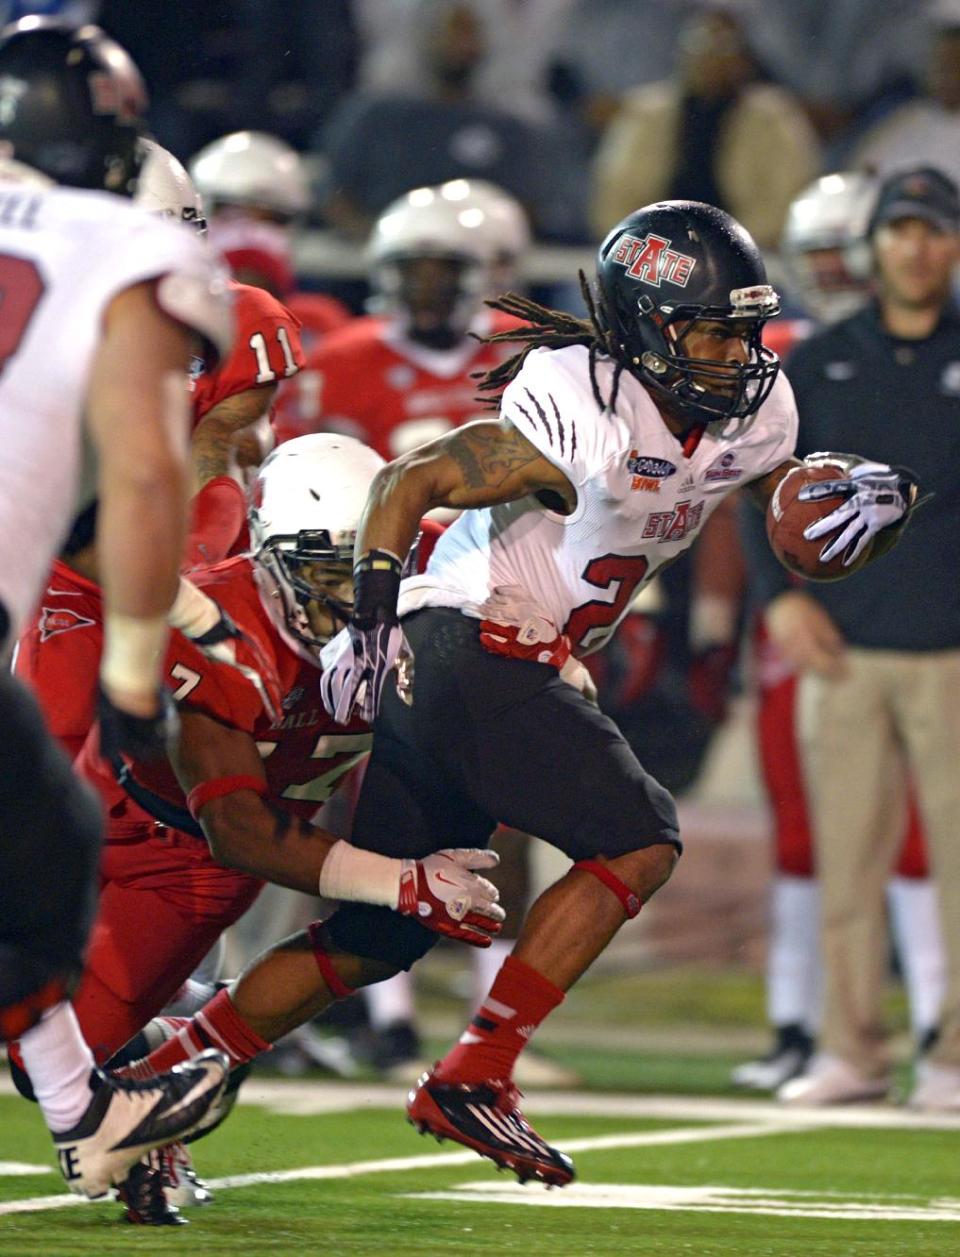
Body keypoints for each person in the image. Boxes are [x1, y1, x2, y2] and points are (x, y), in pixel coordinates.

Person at [128, 199, 917, 1187]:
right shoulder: (574, 401)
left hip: (499, 660)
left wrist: (854, 509)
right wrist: (378, 624)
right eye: (713, 327)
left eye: (746, 328)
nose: (737, 351)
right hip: (464, 639)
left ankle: (158, 1082)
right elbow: (406, 484)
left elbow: (792, 520)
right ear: (646, 324)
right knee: (638, 837)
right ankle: (478, 1072)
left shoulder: (757, 407)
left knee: (381, 935)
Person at [0, 19, 232, 1201]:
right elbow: (144, 475)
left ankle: (84, 1109)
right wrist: (138, 672)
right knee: (46, 859)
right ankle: (85, 1110)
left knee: (31, 854)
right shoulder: (116, 241)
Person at [735, 166, 960, 1109]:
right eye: (899, 229)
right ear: (872, 246)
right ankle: (852, 1051)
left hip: (953, 651)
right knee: (848, 865)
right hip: (846, 647)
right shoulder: (819, 360)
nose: (915, 247)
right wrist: (775, 601)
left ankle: (950, 1060)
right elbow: (755, 482)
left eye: (934, 230)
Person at [589, 6, 821, 250]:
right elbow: (613, 197)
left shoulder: (775, 117)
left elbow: (786, 203)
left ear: (744, 56)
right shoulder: (645, 114)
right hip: (656, 251)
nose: (713, 57)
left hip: (745, 254)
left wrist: (724, 245)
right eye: (701, 44)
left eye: (724, 47)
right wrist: (653, 241)